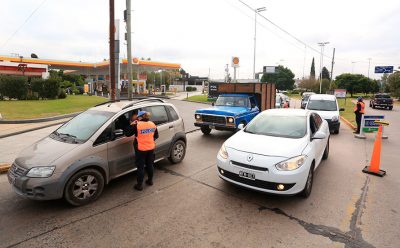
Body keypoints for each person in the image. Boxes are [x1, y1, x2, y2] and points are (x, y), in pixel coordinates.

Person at [131, 111, 159, 191]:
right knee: (150, 165)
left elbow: (127, 133)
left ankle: (139, 185)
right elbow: (156, 136)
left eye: (137, 117)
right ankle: (150, 181)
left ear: (140, 117)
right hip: (150, 148)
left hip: (141, 149)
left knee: (140, 167)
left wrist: (132, 124)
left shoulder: (137, 125)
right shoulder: (152, 124)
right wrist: (149, 140)